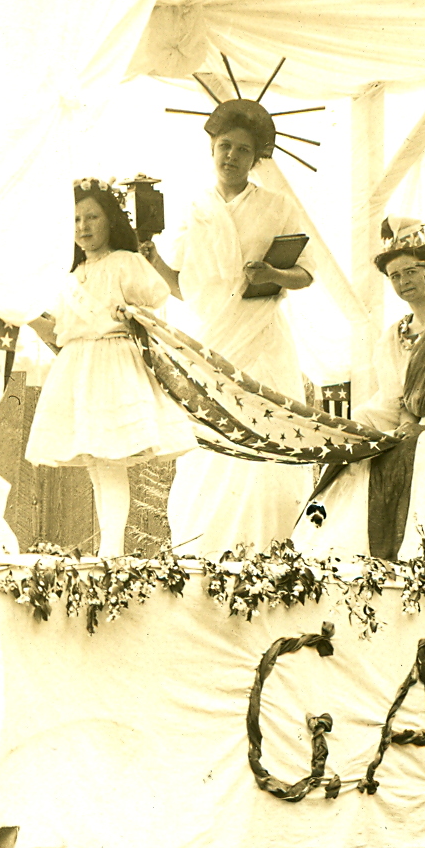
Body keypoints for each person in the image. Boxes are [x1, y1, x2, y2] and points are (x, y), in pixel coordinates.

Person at [156, 97, 317, 554]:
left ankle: (271, 546)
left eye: (243, 150)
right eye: (225, 146)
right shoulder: (194, 207)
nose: (231, 157)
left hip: (263, 338)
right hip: (213, 340)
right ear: (212, 149)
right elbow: (183, 285)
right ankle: (203, 548)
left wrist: (273, 276)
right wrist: (149, 258)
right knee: (210, 445)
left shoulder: (277, 206)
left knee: (266, 441)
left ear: (255, 157)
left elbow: (305, 272)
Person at [24, 180, 197, 557]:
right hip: (78, 368)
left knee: (110, 456)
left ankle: (113, 549)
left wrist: (129, 312)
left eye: (92, 217)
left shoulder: (125, 262)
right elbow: (58, 330)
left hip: (112, 365)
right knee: (95, 461)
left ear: (109, 221)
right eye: (75, 220)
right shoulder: (70, 276)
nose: (83, 227)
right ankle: (109, 546)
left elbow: (152, 300)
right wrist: (23, 314)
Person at [298, 219, 425, 559]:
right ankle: (336, 542)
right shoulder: (394, 336)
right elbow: (399, 400)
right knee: (357, 432)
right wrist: (405, 424)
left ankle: (418, 548)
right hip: (413, 421)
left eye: (411, 271)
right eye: (395, 276)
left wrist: (421, 428)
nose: (404, 282)